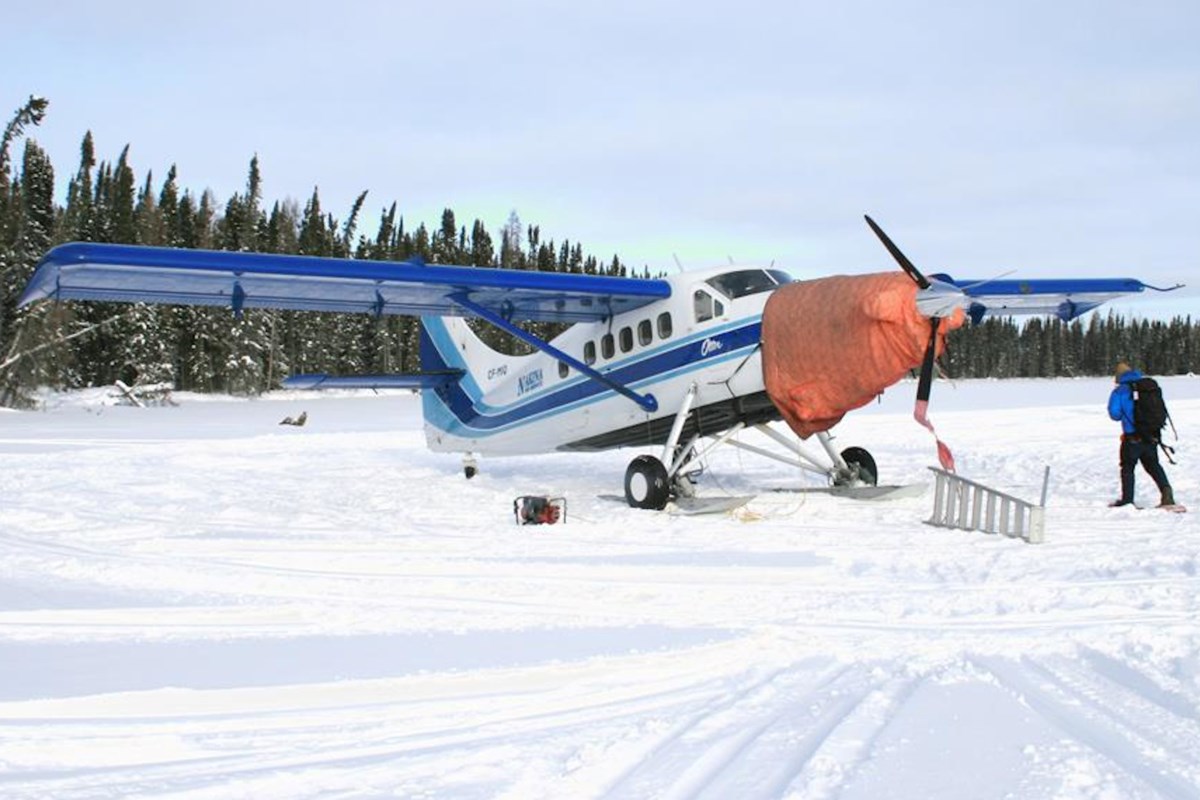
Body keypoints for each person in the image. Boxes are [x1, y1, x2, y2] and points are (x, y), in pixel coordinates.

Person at [1107, 362, 1174, 507]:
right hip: (1151, 435)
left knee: (1128, 467)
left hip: (1132, 437)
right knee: (1153, 465)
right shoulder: (1148, 387)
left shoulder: (1120, 391)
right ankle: (1166, 492)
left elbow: (1115, 414)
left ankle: (1127, 499)